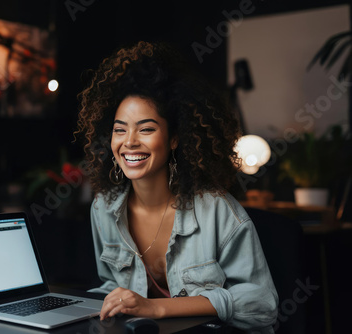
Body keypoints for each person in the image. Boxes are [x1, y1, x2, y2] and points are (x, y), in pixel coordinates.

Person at [75, 41, 278, 333]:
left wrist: (157, 307)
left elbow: (262, 305)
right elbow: (111, 285)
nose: (129, 141)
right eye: (120, 129)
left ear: (174, 139)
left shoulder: (216, 210)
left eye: (146, 129)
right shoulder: (104, 207)